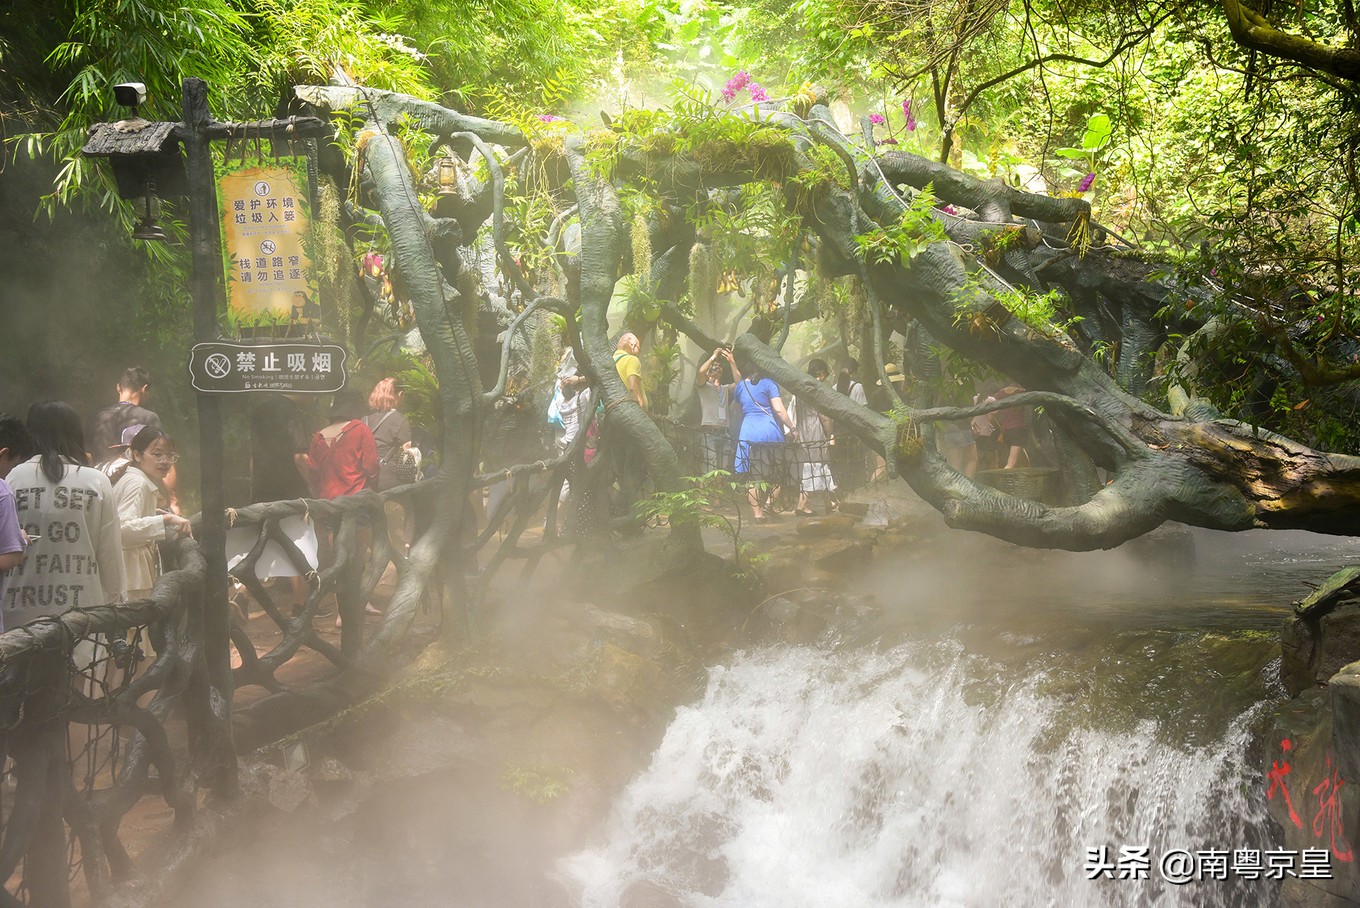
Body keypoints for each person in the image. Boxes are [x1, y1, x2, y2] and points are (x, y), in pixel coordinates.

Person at [5, 401, 125, 629]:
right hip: (83, 618)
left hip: (16, 619)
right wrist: (115, 607)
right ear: (76, 434)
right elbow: (110, 556)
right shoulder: (96, 482)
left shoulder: (11, 479)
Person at [109, 426, 193, 600]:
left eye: (170, 455)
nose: (165, 461)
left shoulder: (132, 478)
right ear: (137, 455)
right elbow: (122, 530)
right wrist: (165, 518)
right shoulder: (137, 483)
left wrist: (154, 513)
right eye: (157, 454)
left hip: (129, 574)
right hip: (131, 576)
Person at [89, 367, 180, 513]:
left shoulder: (97, 417)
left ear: (118, 387)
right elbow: (164, 458)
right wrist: (174, 500)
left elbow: (87, 456)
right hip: (134, 490)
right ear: (144, 389)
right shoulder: (148, 418)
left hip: (99, 490)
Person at [733, 366, 798, 521]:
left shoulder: (740, 386)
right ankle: (769, 504)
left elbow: (737, 410)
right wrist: (792, 428)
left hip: (748, 433)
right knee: (778, 473)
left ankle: (758, 514)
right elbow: (779, 410)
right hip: (769, 433)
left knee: (752, 477)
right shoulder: (769, 384)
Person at [308, 392, 379, 499]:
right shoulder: (361, 430)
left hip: (325, 501)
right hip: (354, 500)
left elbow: (313, 472)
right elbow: (371, 465)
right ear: (357, 410)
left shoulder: (318, 436)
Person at [789, 359, 837, 516]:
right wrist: (830, 434)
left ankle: (829, 503)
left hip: (803, 431)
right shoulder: (817, 390)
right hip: (816, 432)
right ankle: (801, 505)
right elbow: (824, 416)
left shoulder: (800, 388)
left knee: (820, 466)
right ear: (821, 374)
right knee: (815, 466)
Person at [0, 415, 33, 631]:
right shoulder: (2, 491)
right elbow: (7, 558)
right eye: (12, 465)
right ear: (4, 454)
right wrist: (20, 541)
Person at [695, 347, 739, 473]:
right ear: (709, 372)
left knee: (724, 471)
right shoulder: (703, 386)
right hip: (709, 434)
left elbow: (739, 383)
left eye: (720, 366)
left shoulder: (725, 389)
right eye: (715, 366)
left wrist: (731, 362)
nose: (718, 367)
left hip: (725, 434)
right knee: (711, 469)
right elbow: (701, 372)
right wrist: (713, 356)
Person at [994, 384, 1032, 469]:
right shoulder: (1022, 392)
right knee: (1010, 464)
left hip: (1007, 431)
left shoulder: (1001, 393)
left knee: (1024, 461)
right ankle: (1004, 477)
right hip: (1018, 430)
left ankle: (1029, 475)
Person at [613, 332, 647, 409]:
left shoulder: (610, 361)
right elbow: (633, 387)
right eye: (638, 349)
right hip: (627, 409)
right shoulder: (631, 360)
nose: (638, 353)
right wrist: (641, 408)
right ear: (633, 346)